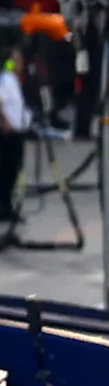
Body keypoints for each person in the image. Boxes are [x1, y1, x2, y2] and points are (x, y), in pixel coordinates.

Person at [0, 48, 26, 245]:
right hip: (6, 134)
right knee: (6, 172)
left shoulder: (14, 80)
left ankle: (8, 207)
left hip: (17, 133)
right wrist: (5, 122)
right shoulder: (5, 79)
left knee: (13, 172)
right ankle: (3, 208)